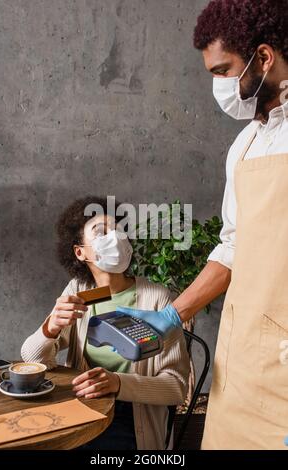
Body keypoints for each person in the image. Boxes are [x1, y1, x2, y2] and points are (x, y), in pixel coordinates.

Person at [116, 0, 288, 450]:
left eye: (222, 70)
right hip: (244, 361)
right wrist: (172, 316)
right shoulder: (245, 144)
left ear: (264, 57)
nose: (217, 84)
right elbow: (233, 246)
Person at [21, 196, 190, 450]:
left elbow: (177, 387)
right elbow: (32, 360)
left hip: (132, 420)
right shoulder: (79, 291)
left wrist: (119, 383)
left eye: (119, 229)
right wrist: (50, 328)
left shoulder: (157, 298)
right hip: (83, 409)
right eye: (101, 232)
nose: (115, 237)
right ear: (80, 252)